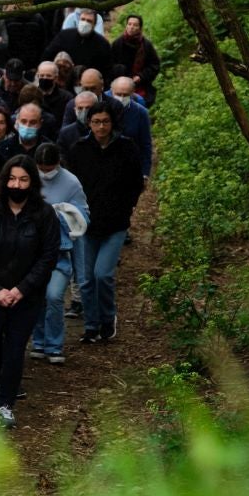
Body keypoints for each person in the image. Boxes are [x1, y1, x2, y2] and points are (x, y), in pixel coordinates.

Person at [0, 156, 60, 430]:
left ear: (32, 182)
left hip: (26, 296)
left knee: (14, 351)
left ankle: (6, 403)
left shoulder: (44, 214)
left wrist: (21, 289)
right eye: (12, 178)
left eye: (23, 179)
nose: (16, 184)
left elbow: (48, 256)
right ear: (3, 180)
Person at [67, 104, 145, 343]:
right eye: (96, 121)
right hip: (87, 224)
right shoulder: (79, 149)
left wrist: (127, 206)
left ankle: (107, 317)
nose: (101, 126)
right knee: (86, 279)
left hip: (115, 223)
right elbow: (72, 183)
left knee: (103, 274)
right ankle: (91, 325)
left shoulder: (126, 148)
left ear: (112, 123)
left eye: (105, 121)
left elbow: (135, 182)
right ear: (89, 123)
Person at [29, 145, 89, 364]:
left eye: (49, 168)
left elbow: (83, 217)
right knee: (37, 297)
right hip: (33, 251)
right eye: (41, 168)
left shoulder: (71, 183)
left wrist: (62, 212)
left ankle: (55, 345)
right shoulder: (29, 178)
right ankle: (39, 341)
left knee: (54, 296)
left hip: (59, 251)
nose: (45, 173)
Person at [42, 7, 112, 76]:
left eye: (89, 21)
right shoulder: (64, 36)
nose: (85, 23)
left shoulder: (102, 44)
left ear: (94, 24)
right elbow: (48, 55)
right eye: (83, 19)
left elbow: (106, 68)